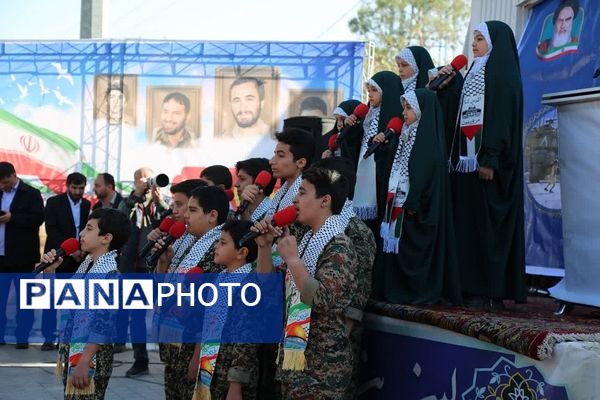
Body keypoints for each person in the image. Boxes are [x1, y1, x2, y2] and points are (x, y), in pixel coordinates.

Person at [253, 167, 358, 399]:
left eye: (302, 192)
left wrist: (292, 259)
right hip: (296, 363)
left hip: (322, 368)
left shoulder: (339, 245)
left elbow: (322, 299)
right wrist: (263, 246)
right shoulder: (305, 240)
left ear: (325, 201)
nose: (294, 199)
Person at [448, 21, 526, 309]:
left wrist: (490, 157)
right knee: (472, 226)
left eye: (480, 39)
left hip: (492, 166)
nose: (474, 44)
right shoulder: (475, 71)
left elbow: (500, 118)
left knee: (490, 229)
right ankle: (472, 286)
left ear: (494, 43)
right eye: (474, 38)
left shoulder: (501, 73)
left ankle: (491, 290)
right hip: (470, 163)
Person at [373, 89, 462, 306]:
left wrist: (412, 202)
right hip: (400, 206)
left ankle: (415, 293)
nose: (403, 113)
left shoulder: (427, 141)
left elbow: (423, 174)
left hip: (417, 209)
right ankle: (398, 290)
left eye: (408, 107)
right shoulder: (405, 134)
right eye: (404, 107)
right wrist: (383, 148)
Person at [40, 208, 130, 400]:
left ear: (106, 238)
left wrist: (85, 360)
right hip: (74, 351)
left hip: (90, 358)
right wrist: (50, 272)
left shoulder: (110, 275)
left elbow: (103, 323)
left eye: (89, 229)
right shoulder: (87, 266)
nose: (81, 234)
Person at [153, 186, 229, 400]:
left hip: (192, 348)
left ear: (212, 215)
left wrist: (198, 355)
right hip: (176, 345)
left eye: (193, 210)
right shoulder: (192, 245)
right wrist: (164, 263)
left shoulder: (219, 250)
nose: (186, 215)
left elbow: (211, 310)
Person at [311, 156, 376, 398]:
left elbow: (360, 284)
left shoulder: (355, 230)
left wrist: (346, 328)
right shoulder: (314, 227)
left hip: (337, 333)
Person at [191, 219, 259, 400]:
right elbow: (208, 322)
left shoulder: (248, 285)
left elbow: (245, 340)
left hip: (229, 374)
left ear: (242, 252)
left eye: (223, 243)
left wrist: (235, 385)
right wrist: (197, 356)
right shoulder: (221, 277)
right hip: (211, 368)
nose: (216, 247)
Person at [117, 167, 169, 376]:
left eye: (149, 178)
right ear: (135, 181)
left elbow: (170, 220)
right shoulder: (129, 201)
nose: (147, 182)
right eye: (142, 179)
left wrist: (160, 200)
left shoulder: (158, 201)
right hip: (132, 267)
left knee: (164, 312)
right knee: (136, 316)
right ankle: (141, 359)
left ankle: (169, 357)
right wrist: (137, 195)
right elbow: (121, 219)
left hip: (155, 265)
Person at [343, 71, 403, 228]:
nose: (369, 94)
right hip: (362, 169)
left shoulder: (395, 118)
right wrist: (351, 127)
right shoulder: (367, 115)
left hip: (380, 178)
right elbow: (356, 145)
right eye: (368, 90)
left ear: (386, 92)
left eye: (374, 90)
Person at [41, 172, 91, 350]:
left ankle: (68, 337)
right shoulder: (54, 203)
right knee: (51, 299)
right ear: (67, 186)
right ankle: (48, 338)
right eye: (74, 187)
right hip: (58, 256)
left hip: (79, 260)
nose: (78, 191)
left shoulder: (86, 204)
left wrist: (81, 251)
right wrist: (71, 251)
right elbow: (52, 230)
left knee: (73, 300)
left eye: (81, 188)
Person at [0, 161, 44, 348]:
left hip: (22, 256)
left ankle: (22, 337)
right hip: (0, 256)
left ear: (13, 176)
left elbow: (38, 219)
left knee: (24, 300)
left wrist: (12, 218)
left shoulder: (32, 193)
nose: (2, 186)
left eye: (4, 182)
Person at [235, 158, 276, 222]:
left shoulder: (273, 215)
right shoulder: (237, 213)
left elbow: (248, 231)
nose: (236, 184)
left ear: (260, 184)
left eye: (242, 179)